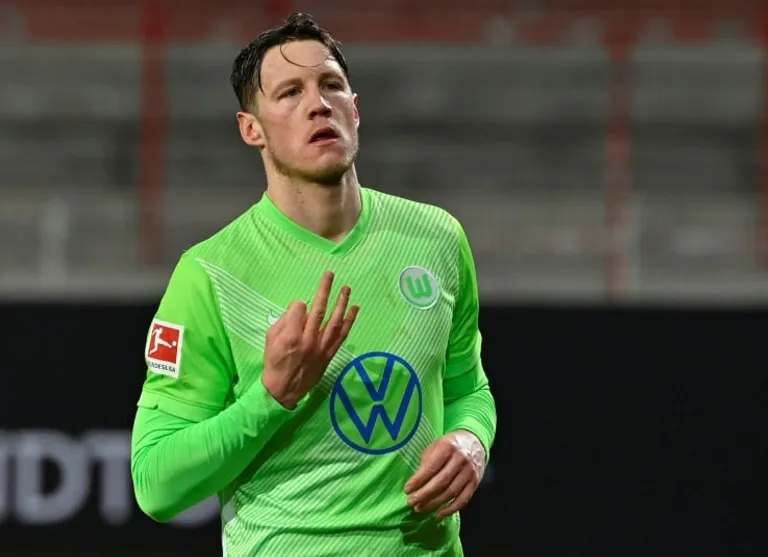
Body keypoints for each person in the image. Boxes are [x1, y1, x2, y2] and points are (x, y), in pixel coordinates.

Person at [130, 12, 497, 557]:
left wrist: (471, 439)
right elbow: (156, 485)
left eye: (331, 85)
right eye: (290, 93)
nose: (318, 104)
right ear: (251, 129)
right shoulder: (210, 274)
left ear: (355, 108)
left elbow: (468, 389)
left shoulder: (436, 238)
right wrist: (272, 397)